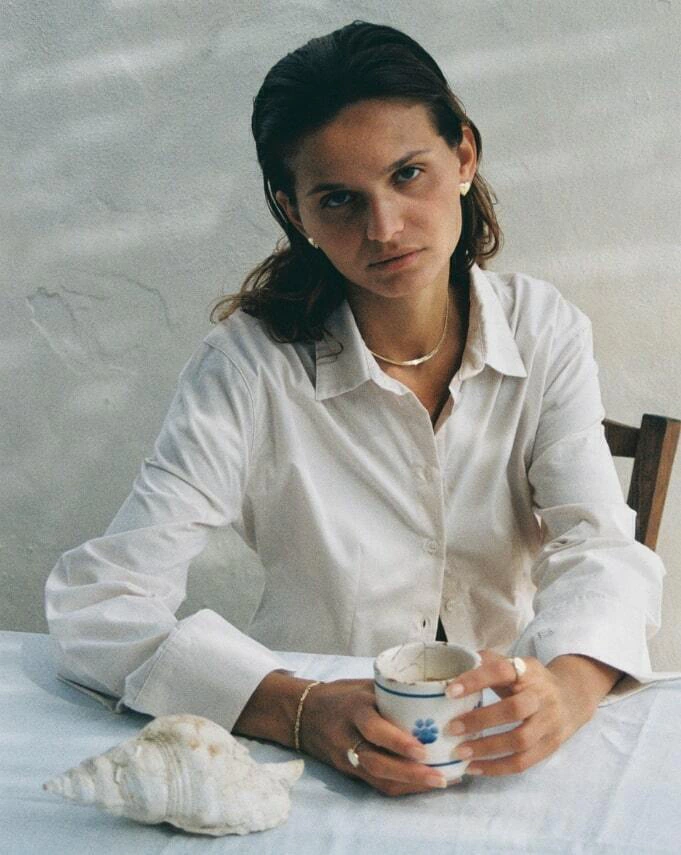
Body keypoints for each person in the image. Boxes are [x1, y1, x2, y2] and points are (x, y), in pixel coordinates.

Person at [45, 21, 665, 797]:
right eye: (338, 199)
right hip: (308, 765)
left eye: (408, 173)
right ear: (293, 209)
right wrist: (296, 709)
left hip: (504, 748)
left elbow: (598, 545)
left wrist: (567, 690)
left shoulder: (543, 329)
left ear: (463, 156)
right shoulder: (246, 366)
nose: (384, 228)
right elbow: (100, 603)